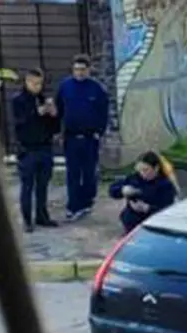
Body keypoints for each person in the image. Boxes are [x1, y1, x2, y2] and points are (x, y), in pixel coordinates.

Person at [55, 53, 109, 222]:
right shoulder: (65, 86)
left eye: (82, 69)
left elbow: (103, 113)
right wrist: (59, 132)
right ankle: (73, 206)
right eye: (76, 69)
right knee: (72, 173)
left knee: (88, 172)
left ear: (88, 70)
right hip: (71, 137)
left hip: (89, 138)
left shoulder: (96, 89)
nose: (79, 73)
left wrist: (98, 132)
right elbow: (58, 109)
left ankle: (86, 202)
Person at [11, 68, 60, 233]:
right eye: (34, 83)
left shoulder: (44, 99)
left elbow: (54, 127)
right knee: (27, 186)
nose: (37, 86)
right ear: (27, 82)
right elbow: (20, 123)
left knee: (43, 185)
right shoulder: (18, 100)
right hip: (28, 149)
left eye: (40, 83)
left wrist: (53, 115)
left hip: (45, 148)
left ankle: (42, 216)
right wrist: (36, 113)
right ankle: (27, 220)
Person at [108, 151, 180, 234]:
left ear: (156, 168)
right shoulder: (135, 178)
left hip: (153, 224)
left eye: (146, 170)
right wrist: (122, 190)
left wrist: (147, 208)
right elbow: (112, 190)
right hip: (131, 222)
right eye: (140, 170)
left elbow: (168, 210)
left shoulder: (165, 185)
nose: (142, 174)